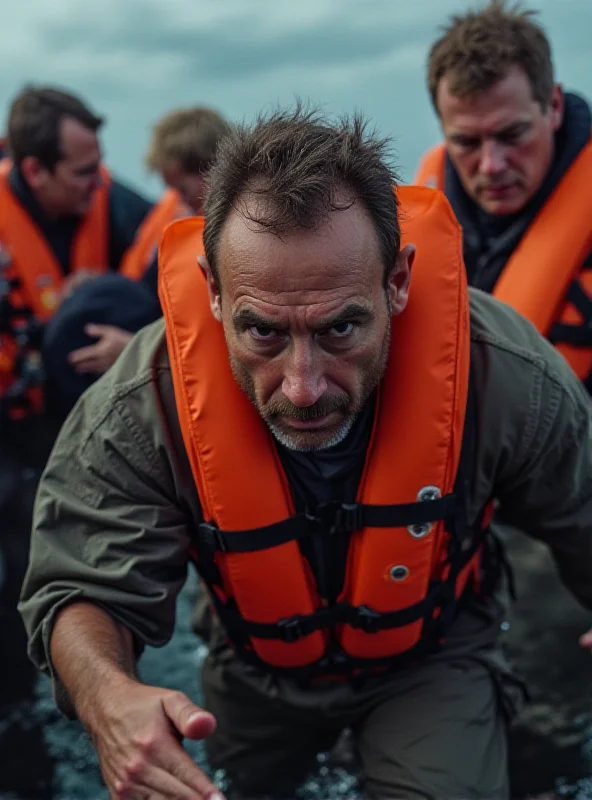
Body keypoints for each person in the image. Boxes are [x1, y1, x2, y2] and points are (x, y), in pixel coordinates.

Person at [19, 108, 592, 800]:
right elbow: (77, 585)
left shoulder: (504, 374)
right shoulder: (140, 406)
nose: (303, 387)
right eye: (260, 331)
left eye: (341, 327)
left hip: (431, 656)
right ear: (212, 291)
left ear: (399, 281)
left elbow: (584, 503)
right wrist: (111, 698)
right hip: (253, 669)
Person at [414, 0, 592, 392]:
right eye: (466, 142)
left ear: (555, 106)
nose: (491, 164)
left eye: (512, 135)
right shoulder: (409, 228)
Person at [42, 106, 231, 416]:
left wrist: (134, 353)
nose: (179, 202)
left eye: (182, 190)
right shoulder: (177, 217)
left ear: (209, 171)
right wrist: (99, 284)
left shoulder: (234, 247)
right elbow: (144, 291)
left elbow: (221, 353)